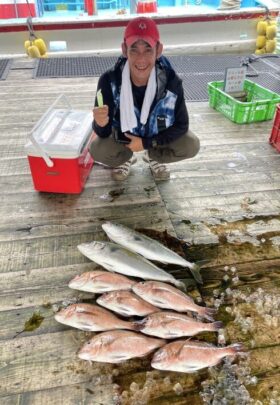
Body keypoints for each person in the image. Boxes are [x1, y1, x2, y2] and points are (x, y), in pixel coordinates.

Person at [90, 16, 200, 181]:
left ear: (159, 50)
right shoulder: (109, 80)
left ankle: (153, 157)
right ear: (124, 49)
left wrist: (148, 144)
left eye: (148, 49)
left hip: (155, 137)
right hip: (123, 139)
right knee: (98, 149)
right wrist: (100, 123)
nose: (141, 58)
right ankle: (125, 159)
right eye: (134, 49)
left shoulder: (171, 81)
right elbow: (103, 132)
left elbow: (181, 125)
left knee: (190, 144)